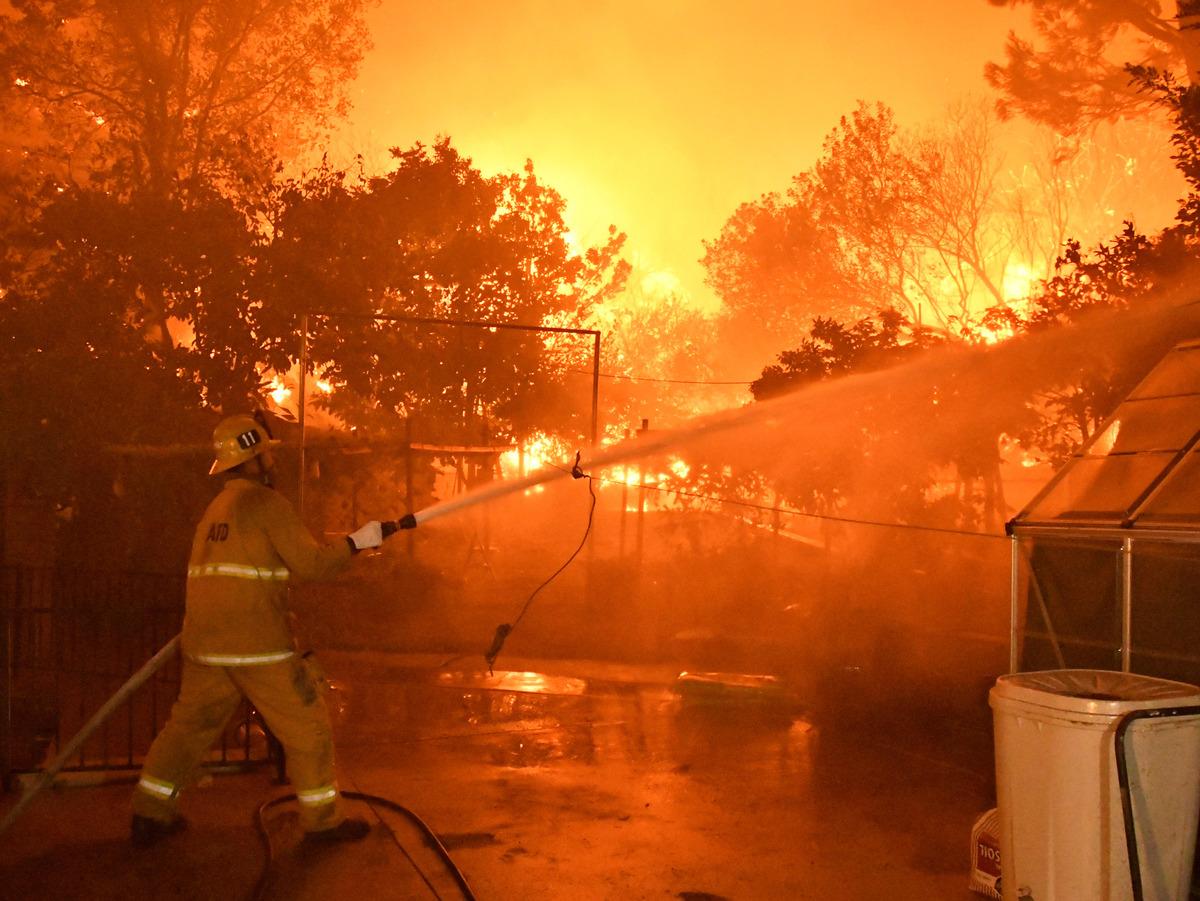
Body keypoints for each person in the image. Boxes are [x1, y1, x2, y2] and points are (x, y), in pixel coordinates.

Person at [131, 413, 411, 848]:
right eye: (265, 455)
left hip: (205, 644)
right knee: (308, 729)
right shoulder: (265, 504)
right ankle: (322, 823)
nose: (271, 464)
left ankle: (150, 813)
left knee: (187, 730)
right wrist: (358, 541)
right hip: (257, 644)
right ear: (256, 460)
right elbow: (312, 565)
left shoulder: (216, 509)